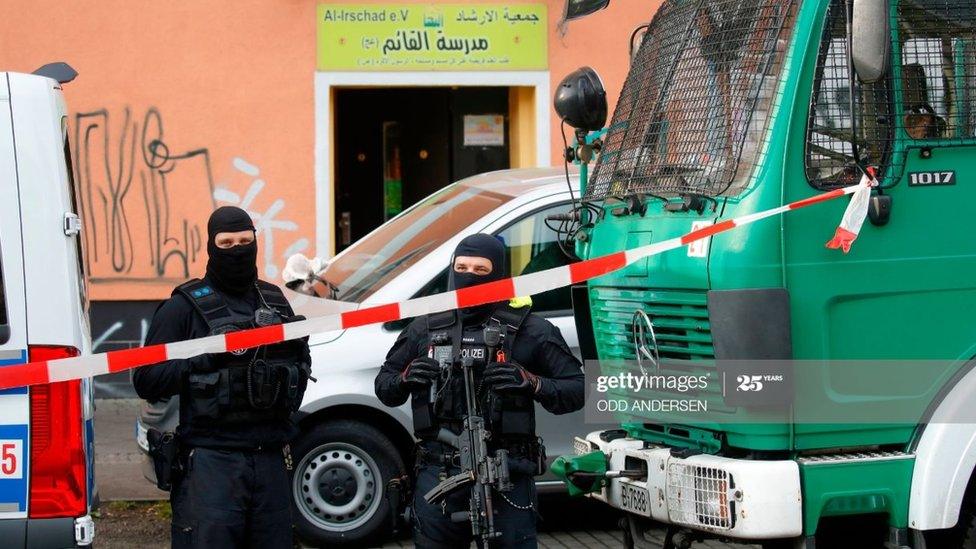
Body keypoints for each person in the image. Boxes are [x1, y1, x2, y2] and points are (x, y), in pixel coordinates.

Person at [375, 233, 585, 548]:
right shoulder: (426, 327)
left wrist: (532, 382)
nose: (468, 276)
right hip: (440, 470)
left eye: (481, 270)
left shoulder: (530, 330)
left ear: (499, 275)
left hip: (507, 472)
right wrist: (405, 377)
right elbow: (385, 385)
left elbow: (579, 389)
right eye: (462, 267)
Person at [133, 206, 311, 549]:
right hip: (213, 464)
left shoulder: (275, 302)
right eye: (226, 243)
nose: (238, 250)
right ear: (211, 246)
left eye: (245, 241)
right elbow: (146, 378)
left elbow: (300, 366)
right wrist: (200, 360)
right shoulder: (183, 307)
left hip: (270, 459)